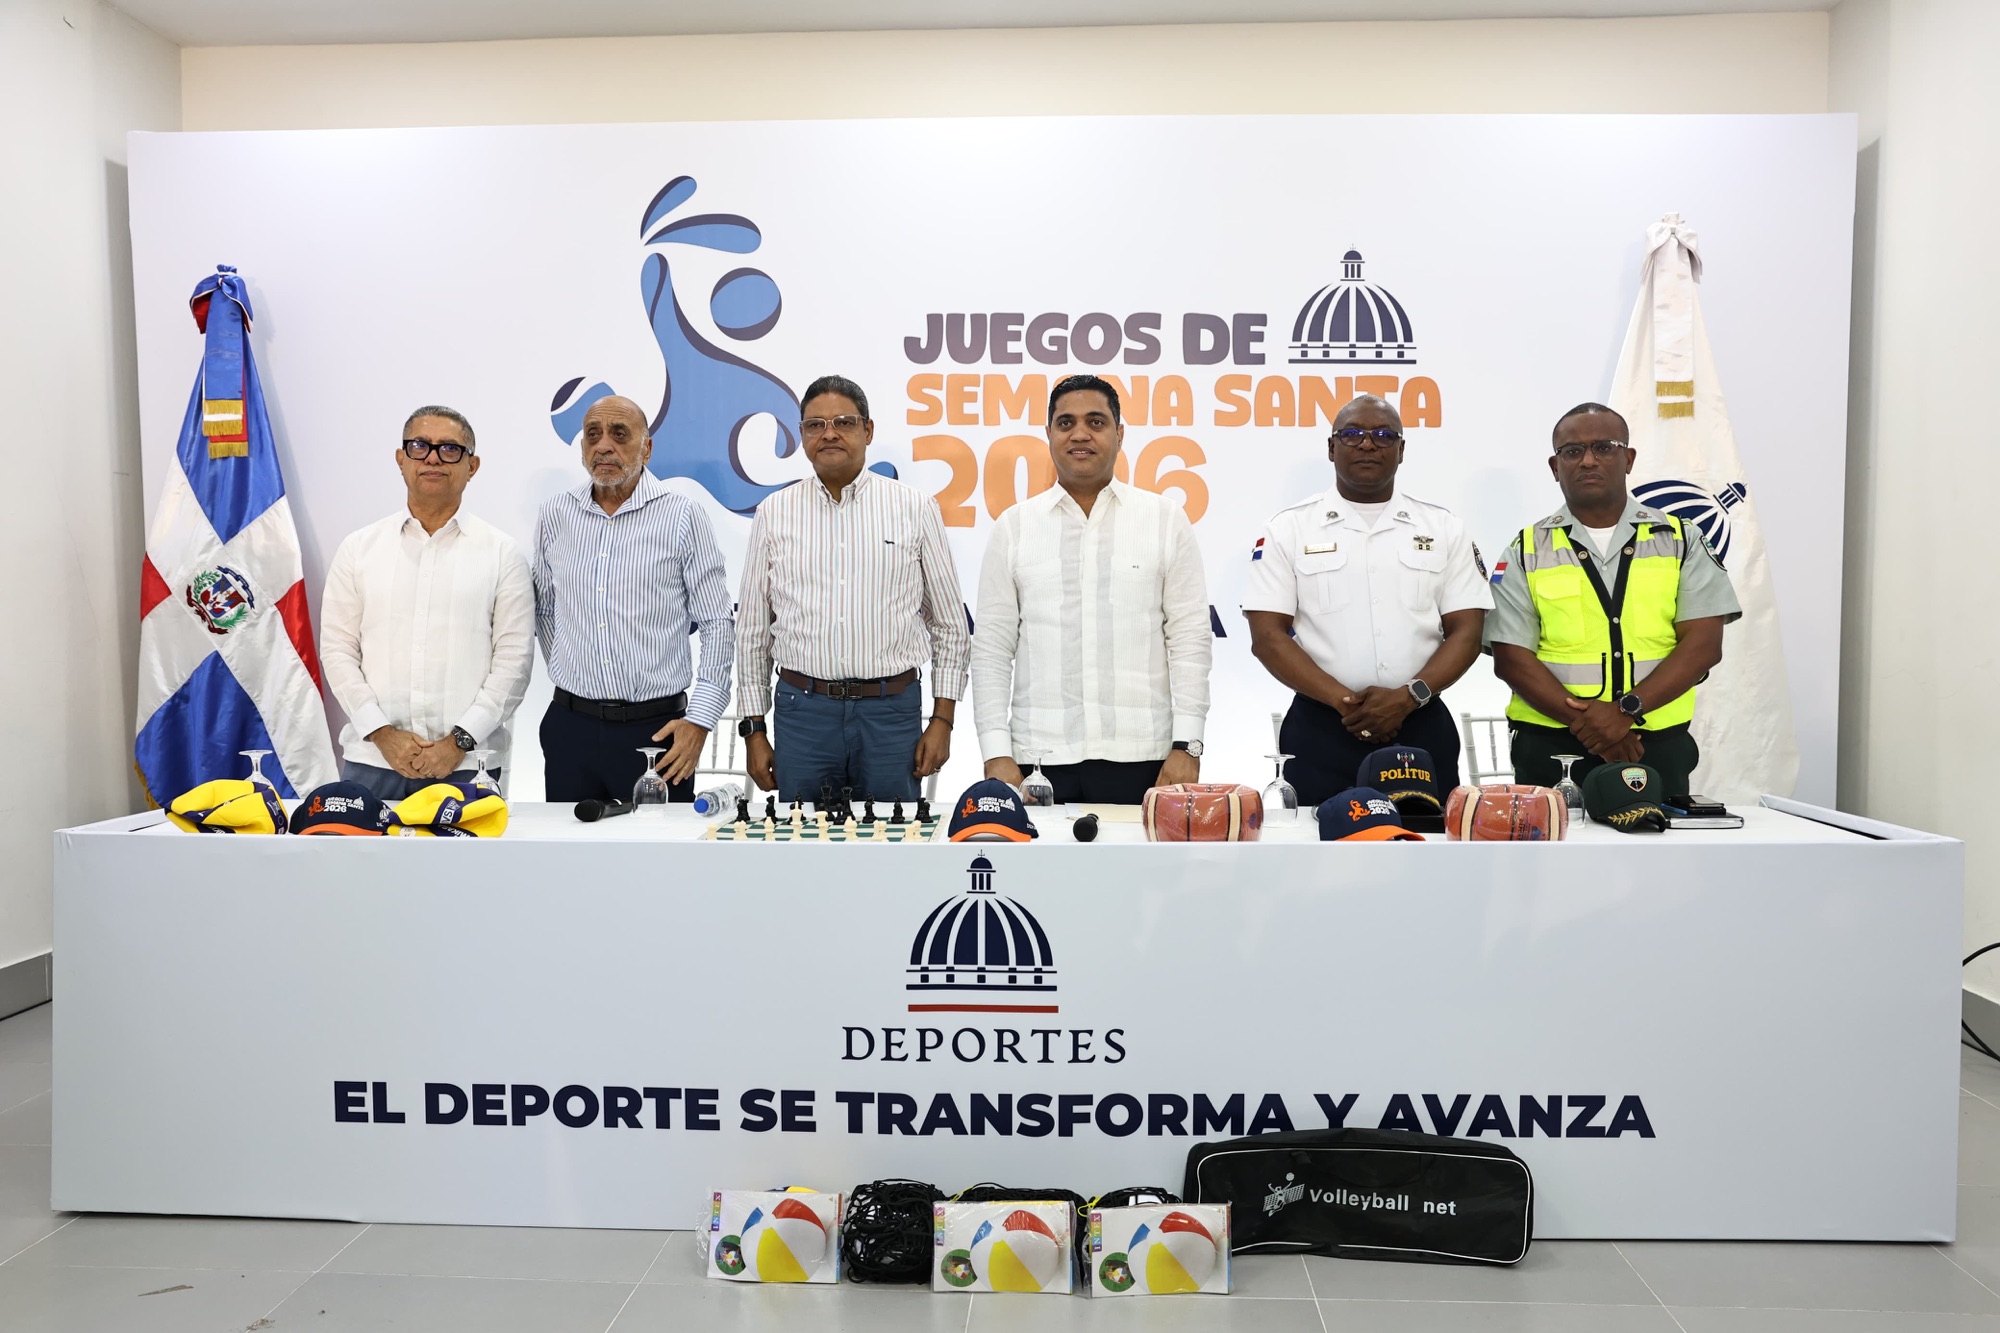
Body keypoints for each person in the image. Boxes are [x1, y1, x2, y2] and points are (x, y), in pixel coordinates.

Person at [971, 374, 1211, 805]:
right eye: (1065, 423)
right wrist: (996, 753)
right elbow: (991, 649)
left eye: (1096, 422)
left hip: (1146, 758)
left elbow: (1190, 640)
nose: (1080, 434)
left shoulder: (1164, 520)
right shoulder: (1015, 527)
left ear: (1119, 434)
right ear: (1048, 434)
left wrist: (1188, 746)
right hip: (1037, 760)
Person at [1243, 394, 1490, 807]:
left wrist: (1407, 698)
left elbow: (1467, 631)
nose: (1368, 444)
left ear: (1401, 450)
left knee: (1429, 841)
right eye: (1352, 434)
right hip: (1321, 728)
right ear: (1331, 447)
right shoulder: (1288, 529)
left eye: (1383, 435)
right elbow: (1268, 637)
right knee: (1318, 843)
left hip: (1420, 719)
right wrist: (1348, 704)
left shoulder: (1444, 528)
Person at [735, 374, 969, 803]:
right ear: (802, 435)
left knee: (892, 838)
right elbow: (752, 631)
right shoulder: (773, 513)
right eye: (815, 425)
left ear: (868, 430)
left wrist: (943, 719)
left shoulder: (915, 508)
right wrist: (753, 729)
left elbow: (950, 625)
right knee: (802, 837)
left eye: (843, 422)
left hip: (890, 713)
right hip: (803, 714)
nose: (829, 434)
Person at [1487, 401, 1738, 798]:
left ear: (1628, 458)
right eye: (1572, 451)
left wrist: (1625, 712)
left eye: (1604, 447)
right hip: (1551, 747)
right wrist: (1594, 726)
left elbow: (1704, 645)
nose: (1588, 460)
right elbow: (1511, 658)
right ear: (1555, 467)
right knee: (1551, 843)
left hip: (1653, 743)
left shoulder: (1681, 539)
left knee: (1657, 841)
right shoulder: (1526, 549)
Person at [320, 405, 535, 800]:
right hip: (373, 760)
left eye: (450, 449)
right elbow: (338, 651)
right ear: (401, 459)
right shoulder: (358, 549)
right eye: (419, 446)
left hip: (469, 765)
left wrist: (458, 742)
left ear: (472, 466)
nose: (433, 458)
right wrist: (383, 735)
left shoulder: (503, 554)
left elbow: (514, 663)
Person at [533, 394, 733, 803]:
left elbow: (717, 623)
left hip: (656, 733)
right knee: (567, 843)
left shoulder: (682, 516)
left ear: (647, 448)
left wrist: (700, 719)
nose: (604, 446)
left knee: (659, 846)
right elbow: (546, 609)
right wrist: (573, 670)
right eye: (593, 435)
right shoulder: (556, 514)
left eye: (620, 434)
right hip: (570, 728)